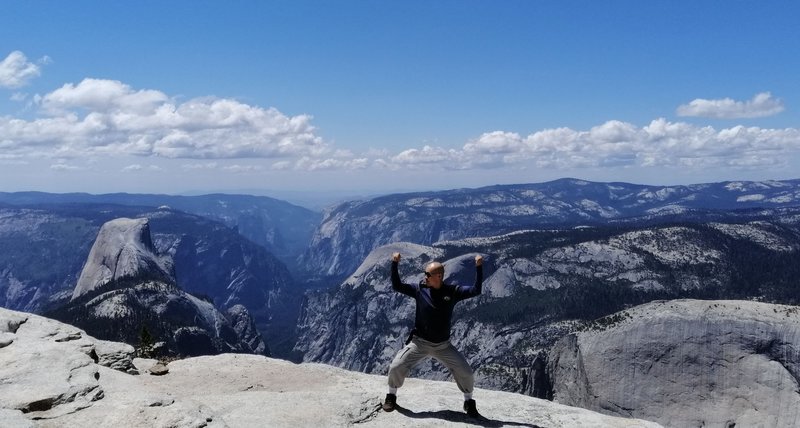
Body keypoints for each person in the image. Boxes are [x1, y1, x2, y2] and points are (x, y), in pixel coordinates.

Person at [382, 251, 484, 418]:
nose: (424, 277)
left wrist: (479, 267)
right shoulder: (419, 290)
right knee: (396, 366)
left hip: (443, 346)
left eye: (427, 274)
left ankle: (468, 401)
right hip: (419, 343)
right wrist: (394, 264)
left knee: (466, 372)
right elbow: (397, 286)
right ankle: (391, 396)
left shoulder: (453, 292)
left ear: (438, 276)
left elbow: (476, 290)